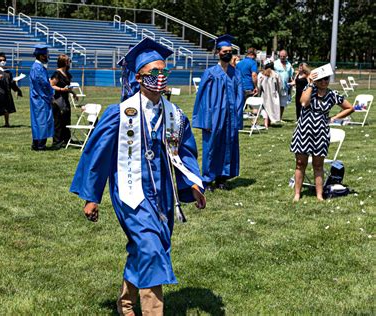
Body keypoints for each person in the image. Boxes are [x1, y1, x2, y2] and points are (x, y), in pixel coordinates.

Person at [70, 38, 206, 315]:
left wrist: (193, 183)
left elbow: (185, 152)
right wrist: (91, 197)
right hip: (131, 192)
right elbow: (98, 156)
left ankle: (126, 304)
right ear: (138, 77)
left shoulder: (175, 115)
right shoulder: (120, 114)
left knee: (144, 249)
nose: (159, 78)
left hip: (163, 194)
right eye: (152, 73)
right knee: (151, 248)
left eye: (163, 73)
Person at [290, 69, 354, 202]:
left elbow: (350, 108)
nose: (324, 82)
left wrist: (334, 118)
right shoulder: (309, 89)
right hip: (303, 131)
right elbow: (303, 102)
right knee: (300, 163)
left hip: (321, 133)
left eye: (327, 79)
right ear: (316, 80)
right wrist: (311, 84)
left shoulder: (333, 94)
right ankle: (297, 194)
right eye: (321, 79)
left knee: (318, 165)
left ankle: (319, 195)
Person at [192, 34, 244, 191]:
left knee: (228, 146)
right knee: (212, 146)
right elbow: (202, 99)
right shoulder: (210, 73)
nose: (228, 54)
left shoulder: (236, 73)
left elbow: (240, 95)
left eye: (230, 51)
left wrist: (237, 114)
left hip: (230, 117)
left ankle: (222, 177)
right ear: (218, 53)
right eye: (224, 51)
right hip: (214, 117)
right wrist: (206, 120)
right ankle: (208, 179)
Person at [0, 52, 22, 130]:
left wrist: (17, 90)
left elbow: (11, 83)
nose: (2, 61)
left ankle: (7, 122)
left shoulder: (8, 71)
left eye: (3, 60)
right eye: (0, 60)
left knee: (6, 108)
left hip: (6, 92)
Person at [29, 44, 54, 151]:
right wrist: (50, 94)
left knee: (39, 120)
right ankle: (40, 144)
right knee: (41, 121)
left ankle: (37, 143)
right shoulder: (37, 68)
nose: (47, 56)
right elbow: (43, 84)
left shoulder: (39, 67)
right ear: (40, 56)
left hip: (39, 97)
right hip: (40, 98)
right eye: (45, 55)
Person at [50, 54, 77, 149]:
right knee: (58, 121)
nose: (69, 62)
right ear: (63, 62)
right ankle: (57, 141)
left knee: (67, 119)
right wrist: (62, 89)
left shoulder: (67, 74)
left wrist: (73, 93)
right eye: (68, 60)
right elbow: (52, 85)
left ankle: (67, 139)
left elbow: (68, 87)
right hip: (57, 100)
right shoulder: (57, 73)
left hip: (65, 99)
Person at [257, 58, 282, 128]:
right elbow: (279, 84)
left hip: (265, 94)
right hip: (273, 94)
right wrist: (278, 91)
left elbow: (259, 85)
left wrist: (259, 91)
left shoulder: (261, 74)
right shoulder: (276, 74)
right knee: (272, 108)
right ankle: (269, 122)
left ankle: (266, 122)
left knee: (266, 108)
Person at [274, 49, 294, 120]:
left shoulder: (289, 64)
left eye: (284, 56)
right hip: (276, 86)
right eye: (281, 56)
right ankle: (274, 117)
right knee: (276, 102)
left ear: (286, 56)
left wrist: (292, 82)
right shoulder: (275, 63)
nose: (282, 57)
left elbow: (291, 75)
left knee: (282, 103)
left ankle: (280, 118)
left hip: (285, 86)